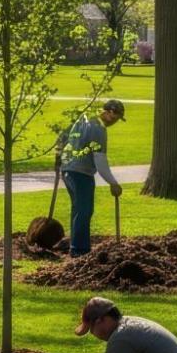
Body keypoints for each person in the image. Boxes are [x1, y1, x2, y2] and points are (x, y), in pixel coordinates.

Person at [53, 99, 125, 255]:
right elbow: (100, 160)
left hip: (67, 170)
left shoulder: (82, 118)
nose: (115, 122)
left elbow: (62, 137)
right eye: (116, 117)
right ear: (109, 112)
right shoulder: (98, 129)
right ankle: (80, 250)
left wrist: (58, 159)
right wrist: (113, 183)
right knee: (84, 211)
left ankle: (76, 246)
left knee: (78, 209)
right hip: (81, 173)